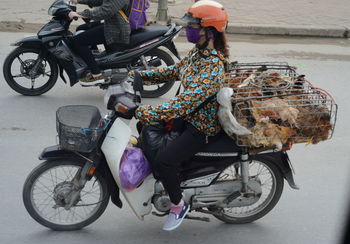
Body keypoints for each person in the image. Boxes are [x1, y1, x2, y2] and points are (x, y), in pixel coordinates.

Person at [127, 0, 229, 231]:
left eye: (193, 26)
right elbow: (175, 70)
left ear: (208, 31)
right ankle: (169, 178)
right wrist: (141, 76)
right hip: (187, 117)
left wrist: (141, 110)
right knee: (145, 127)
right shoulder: (199, 53)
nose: (188, 29)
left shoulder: (213, 67)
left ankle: (177, 204)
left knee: (165, 159)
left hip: (200, 127)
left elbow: (183, 105)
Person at [68, 0, 131, 86]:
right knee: (81, 28)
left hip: (116, 29)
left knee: (78, 41)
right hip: (113, 22)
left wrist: (81, 14)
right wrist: (78, 1)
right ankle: (98, 60)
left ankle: (96, 74)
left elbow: (105, 12)